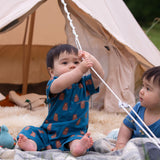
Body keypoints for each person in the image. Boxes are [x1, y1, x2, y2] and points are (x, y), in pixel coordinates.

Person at [17, 44, 104, 157]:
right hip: (50, 131)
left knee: (78, 141)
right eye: (65, 63)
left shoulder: (84, 85)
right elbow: (62, 82)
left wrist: (90, 58)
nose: (72, 66)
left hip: (74, 133)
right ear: (52, 72)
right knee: (28, 130)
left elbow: (99, 76)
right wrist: (80, 69)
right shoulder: (54, 84)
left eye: (76, 62)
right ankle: (31, 144)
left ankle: (77, 148)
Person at [112, 66, 160, 151]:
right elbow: (127, 126)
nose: (141, 91)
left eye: (148, 88)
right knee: (112, 136)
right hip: (132, 145)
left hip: (151, 151)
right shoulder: (138, 108)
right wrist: (121, 144)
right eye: (143, 86)